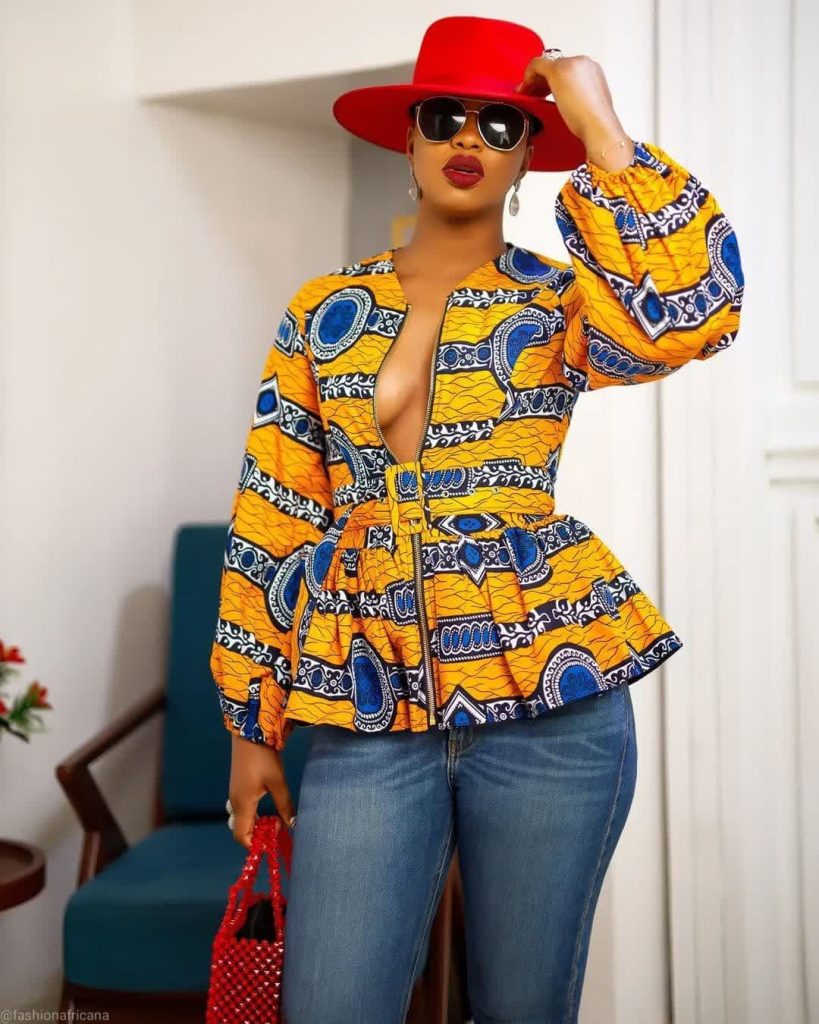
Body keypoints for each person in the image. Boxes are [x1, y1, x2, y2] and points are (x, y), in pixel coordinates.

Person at [210, 15, 744, 1023]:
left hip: (553, 708)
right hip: (369, 704)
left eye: (501, 125)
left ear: (529, 154)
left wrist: (602, 129)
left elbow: (697, 311)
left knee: (524, 1007)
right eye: (444, 117)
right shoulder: (324, 309)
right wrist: (251, 724)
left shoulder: (559, 305)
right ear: (408, 138)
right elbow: (273, 516)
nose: (468, 139)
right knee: (331, 1003)